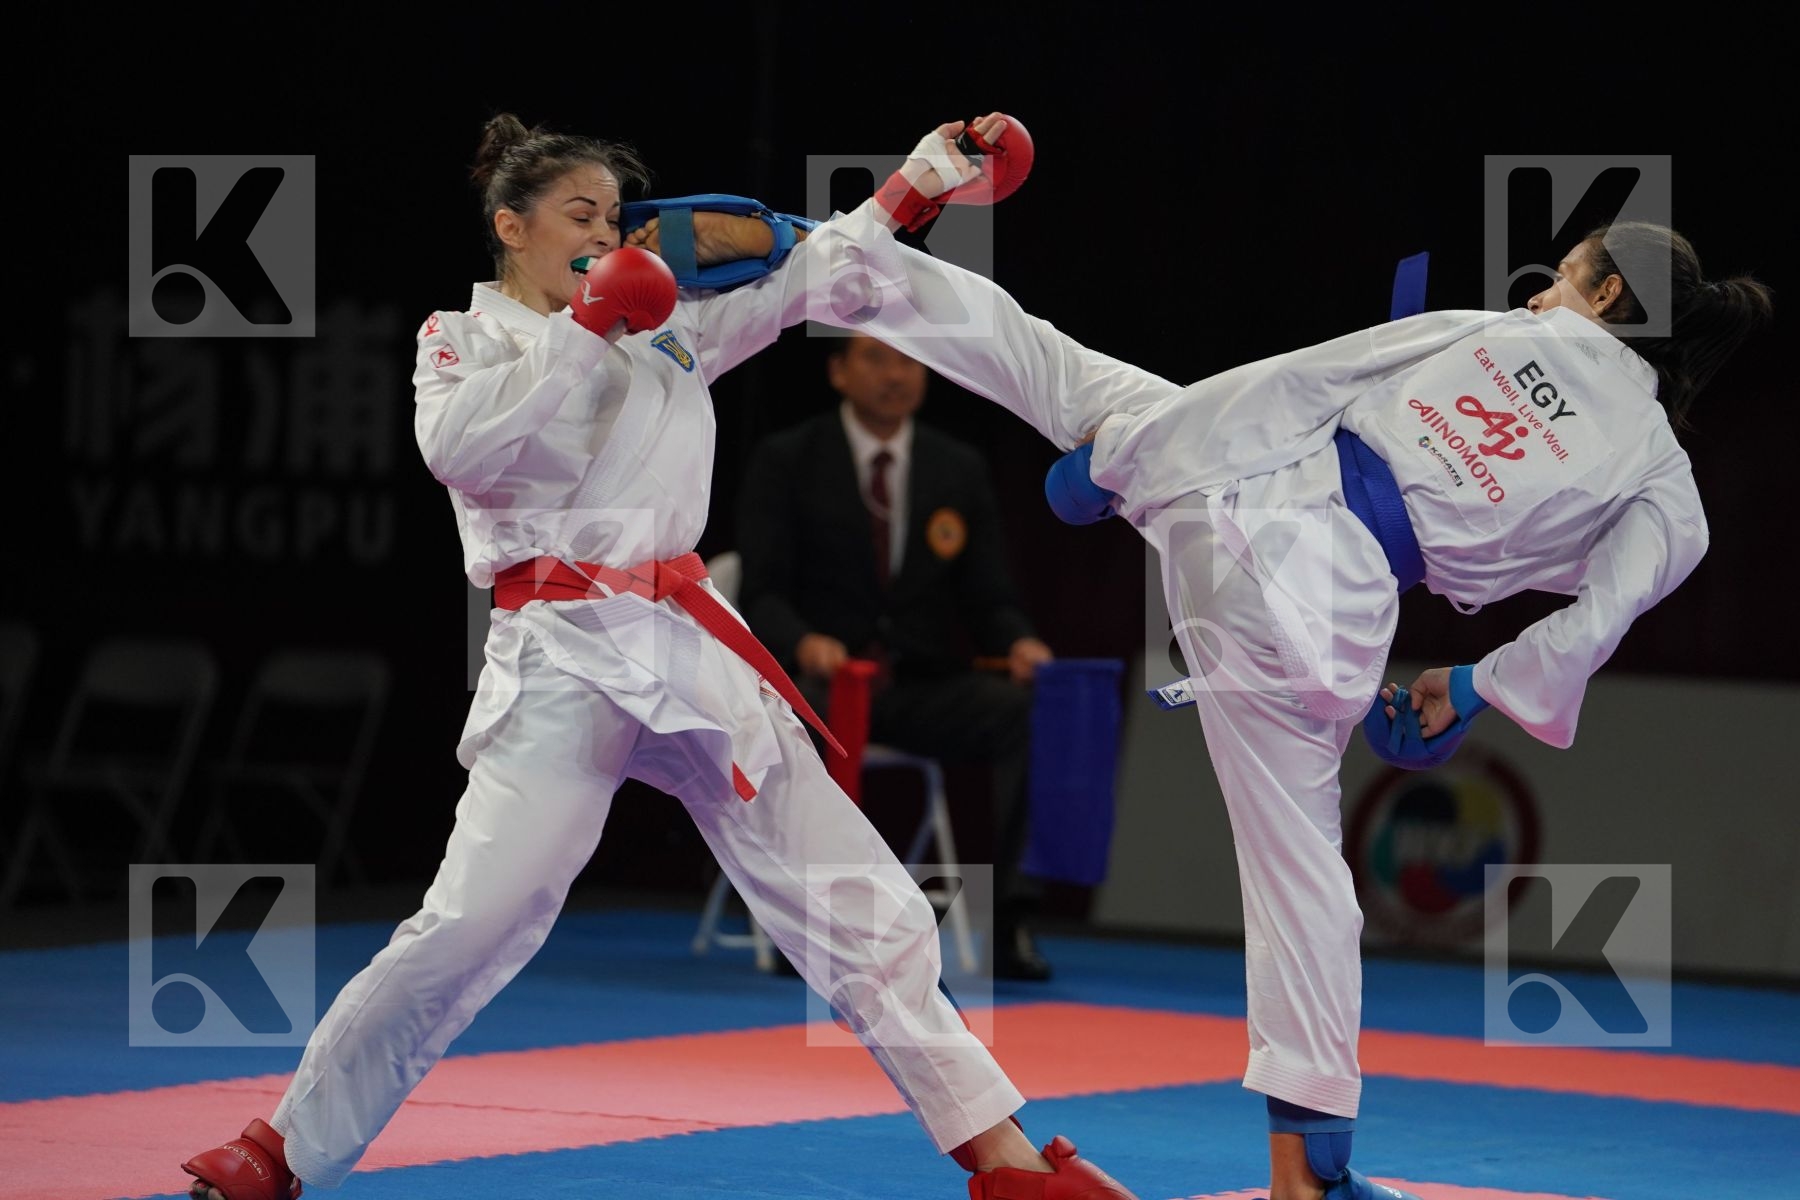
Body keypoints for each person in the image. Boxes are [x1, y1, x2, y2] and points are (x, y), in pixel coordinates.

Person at [778, 143, 1772, 1200]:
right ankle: (1309, 1167)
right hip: (1321, 622)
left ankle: (832, 255)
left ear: (1607, 293)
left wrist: (1118, 466)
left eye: (1565, 275)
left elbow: (1301, 381)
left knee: (1053, 368)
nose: (1543, 291)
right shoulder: (1669, 491)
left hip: (1245, 494)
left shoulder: (1497, 331)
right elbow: (1594, 626)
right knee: (1305, 881)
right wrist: (1472, 688)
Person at [177, 113, 1140, 1200]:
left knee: (862, 900)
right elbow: (463, 452)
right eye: (579, 215)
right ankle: (280, 1150)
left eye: (614, 218)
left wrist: (918, 186)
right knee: (473, 924)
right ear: (511, 225)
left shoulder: (667, 325)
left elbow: (811, 278)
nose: (604, 234)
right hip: (559, 659)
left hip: (688, 647)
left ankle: (1006, 1163)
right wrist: (587, 329)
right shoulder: (463, 338)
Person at [736, 332, 1058, 981]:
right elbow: (760, 592)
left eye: (909, 359)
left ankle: (1010, 921)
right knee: (797, 718)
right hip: (826, 686)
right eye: (877, 358)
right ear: (838, 371)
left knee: (1024, 712)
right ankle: (810, 921)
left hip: (920, 686)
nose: (896, 374)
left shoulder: (956, 467)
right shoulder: (788, 458)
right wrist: (804, 642)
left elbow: (988, 595)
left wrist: (1018, 642)